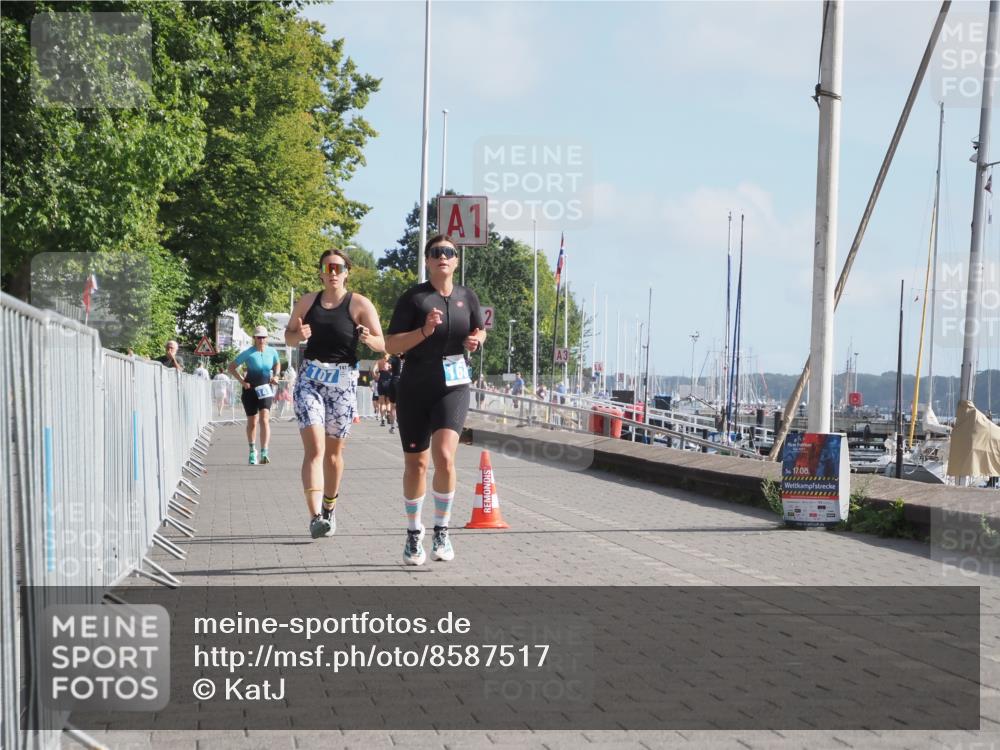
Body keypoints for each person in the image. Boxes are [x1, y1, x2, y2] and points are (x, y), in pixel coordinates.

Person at [385, 233, 485, 566]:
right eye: (436, 252)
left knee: (444, 455)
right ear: (428, 260)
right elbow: (392, 345)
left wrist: (476, 340)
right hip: (415, 384)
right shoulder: (414, 299)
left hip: (453, 385)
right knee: (417, 464)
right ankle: (414, 534)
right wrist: (424, 332)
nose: (442, 256)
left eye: (449, 252)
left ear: (456, 261)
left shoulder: (466, 297)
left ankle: (442, 530)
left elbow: (479, 329)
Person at [285, 248, 384, 540]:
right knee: (315, 449)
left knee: (333, 456)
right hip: (310, 380)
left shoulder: (359, 304)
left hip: (343, 382)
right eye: (328, 268)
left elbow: (383, 343)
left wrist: (368, 338)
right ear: (320, 272)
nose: (333, 274)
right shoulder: (307, 301)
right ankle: (315, 517)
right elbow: (288, 336)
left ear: (346, 273)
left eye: (338, 268)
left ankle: (329, 507)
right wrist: (297, 336)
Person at [229, 326, 281, 465]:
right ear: (254, 338)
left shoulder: (272, 352)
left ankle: (264, 451)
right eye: (258, 337)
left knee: (264, 419)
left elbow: (277, 364)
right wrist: (242, 381)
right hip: (250, 390)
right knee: (252, 422)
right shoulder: (248, 353)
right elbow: (231, 367)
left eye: (263, 337)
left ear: (267, 338)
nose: (261, 340)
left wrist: (276, 376)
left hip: (265, 389)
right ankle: (252, 451)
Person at [377, 354, 394, 426]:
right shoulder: (391, 362)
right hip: (389, 382)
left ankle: (383, 418)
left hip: (381, 381)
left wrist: (376, 377)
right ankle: (388, 415)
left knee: (382, 402)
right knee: (388, 402)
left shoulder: (379, 361)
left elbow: (374, 371)